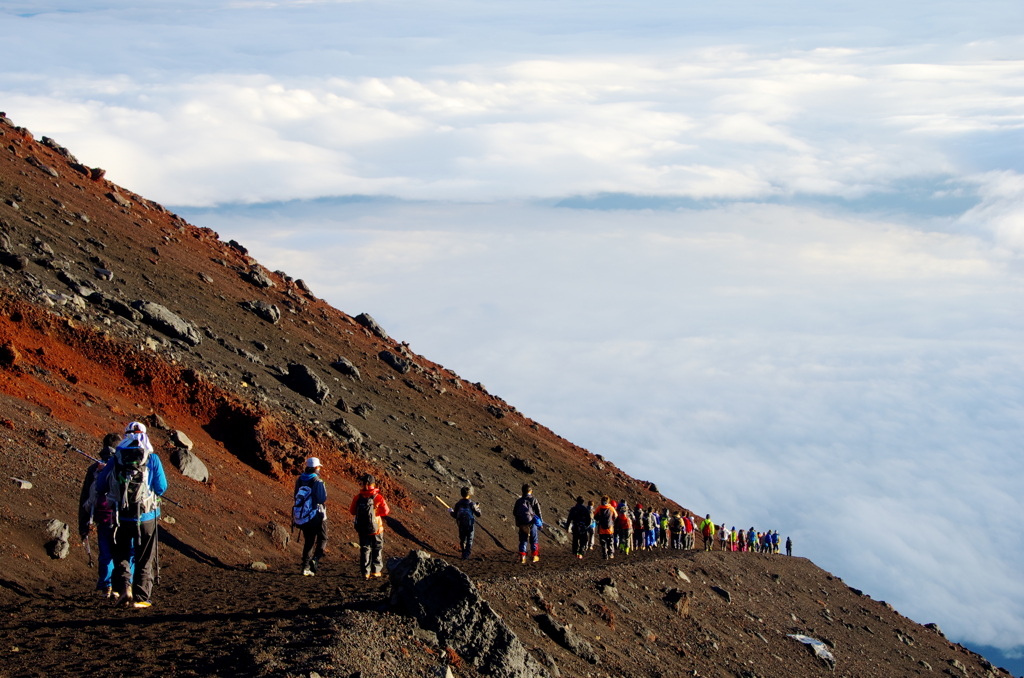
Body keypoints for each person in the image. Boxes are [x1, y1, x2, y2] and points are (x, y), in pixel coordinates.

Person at [96, 422, 167, 609]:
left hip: (121, 516)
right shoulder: (152, 459)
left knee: (122, 553)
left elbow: (100, 486)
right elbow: (161, 487)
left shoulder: (115, 459)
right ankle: (141, 597)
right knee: (144, 557)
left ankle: (124, 588)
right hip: (147, 516)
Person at [79, 433, 122, 598]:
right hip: (121, 517)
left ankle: (106, 586)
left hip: (101, 516)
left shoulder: (94, 468)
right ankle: (123, 585)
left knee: (105, 552)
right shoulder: (122, 465)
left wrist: (83, 525)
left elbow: (85, 496)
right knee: (122, 552)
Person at [349, 474, 390, 578]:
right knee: (377, 548)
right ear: (374, 484)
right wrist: (375, 512)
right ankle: (376, 571)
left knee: (365, 549)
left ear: (362, 484)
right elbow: (386, 511)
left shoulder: (357, 497)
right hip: (377, 528)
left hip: (362, 528)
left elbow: (352, 511)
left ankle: (365, 572)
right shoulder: (378, 497)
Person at [293, 457, 328, 576]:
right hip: (317, 515)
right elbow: (322, 499)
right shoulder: (317, 481)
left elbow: (296, 496)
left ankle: (305, 567)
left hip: (303, 516)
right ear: (317, 467)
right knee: (323, 538)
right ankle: (316, 559)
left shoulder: (299, 480)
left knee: (309, 541)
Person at [513, 484, 543, 564]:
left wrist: (518, 521)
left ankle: (522, 557)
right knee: (534, 540)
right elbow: (538, 512)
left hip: (522, 524)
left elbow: (514, 512)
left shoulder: (519, 501)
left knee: (523, 540)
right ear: (530, 491)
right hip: (532, 523)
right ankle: (534, 556)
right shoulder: (533, 499)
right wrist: (540, 523)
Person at [449, 486, 481, 560]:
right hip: (470, 525)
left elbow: (454, 515)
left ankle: (463, 553)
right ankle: (467, 554)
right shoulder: (472, 504)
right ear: (469, 494)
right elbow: (478, 514)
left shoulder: (458, 504)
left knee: (463, 539)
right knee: (470, 539)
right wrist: (477, 508)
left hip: (461, 525)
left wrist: (450, 511)